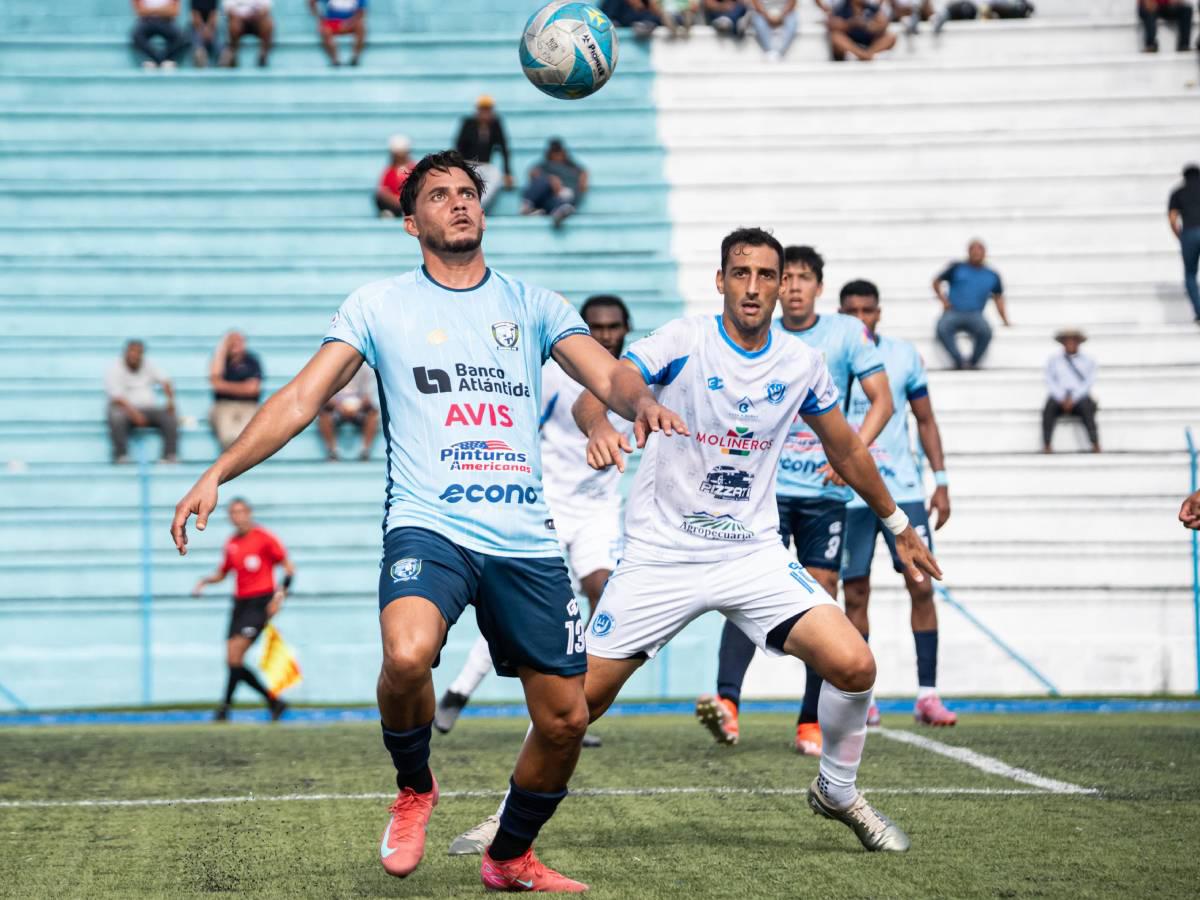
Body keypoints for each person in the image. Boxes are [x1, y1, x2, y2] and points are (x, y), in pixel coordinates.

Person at [170, 150, 685, 891]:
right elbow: (297, 400)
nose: (459, 203)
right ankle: (415, 785)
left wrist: (640, 402)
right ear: (411, 221)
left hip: (524, 537)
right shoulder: (377, 306)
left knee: (566, 719)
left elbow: (605, 372)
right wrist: (217, 471)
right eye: (440, 195)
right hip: (429, 523)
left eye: (469, 192)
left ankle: (509, 857)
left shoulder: (534, 304)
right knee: (408, 654)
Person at [455, 227, 941, 860]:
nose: (754, 286)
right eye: (741, 273)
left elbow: (845, 446)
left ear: (781, 286)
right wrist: (603, 425)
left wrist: (898, 527)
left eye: (767, 275)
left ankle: (838, 791)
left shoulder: (801, 363)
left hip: (750, 555)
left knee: (855, 666)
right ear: (721, 280)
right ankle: (505, 819)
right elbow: (598, 390)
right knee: (573, 706)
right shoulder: (683, 340)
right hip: (660, 556)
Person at [699, 245, 894, 757]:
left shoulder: (846, 335)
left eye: (804, 279)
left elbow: (883, 400)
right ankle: (728, 703)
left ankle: (809, 721)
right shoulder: (761, 336)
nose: (793, 288)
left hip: (825, 492)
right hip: (765, 492)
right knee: (741, 591)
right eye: (788, 279)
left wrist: (851, 449)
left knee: (822, 595)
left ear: (818, 287)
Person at [434, 295, 634, 742]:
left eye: (614, 326)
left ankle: (570, 708)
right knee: (524, 612)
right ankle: (458, 692)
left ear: (626, 329)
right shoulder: (552, 376)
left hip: (599, 511)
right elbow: (515, 425)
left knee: (604, 598)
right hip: (546, 506)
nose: (605, 334)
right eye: (596, 326)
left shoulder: (634, 381)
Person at [838, 280, 957, 727]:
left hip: (903, 490)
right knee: (855, 591)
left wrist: (941, 481)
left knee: (922, 585)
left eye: (867, 310)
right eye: (851, 311)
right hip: (848, 492)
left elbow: (925, 419)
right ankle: (860, 697)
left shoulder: (904, 355)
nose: (860, 318)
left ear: (879, 313)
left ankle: (927, 694)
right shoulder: (830, 355)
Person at [191, 497, 293, 722]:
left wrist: (279, 596)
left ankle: (225, 708)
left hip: (259, 603)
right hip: (239, 604)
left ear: (249, 512)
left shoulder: (264, 538)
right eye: (233, 513)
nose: (237, 517)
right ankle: (274, 702)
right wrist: (205, 582)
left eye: (240, 511)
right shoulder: (232, 543)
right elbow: (223, 573)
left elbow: (288, 568)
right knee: (232, 659)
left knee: (236, 655)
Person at [932, 238, 1009, 370]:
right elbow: (936, 281)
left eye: (979, 250)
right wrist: (944, 301)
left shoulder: (992, 275)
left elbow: (998, 298)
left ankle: (972, 362)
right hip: (953, 311)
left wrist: (1005, 320)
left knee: (986, 332)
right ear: (968, 252)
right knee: (942, 327)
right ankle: (959, 360)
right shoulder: (957, 267)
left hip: (976, 314)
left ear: (985, 253)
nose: (976, 253)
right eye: (973, 250)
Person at [106, 339, 179, 464]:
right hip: (125, 410)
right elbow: (117, 398)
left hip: (148, 409)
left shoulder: (148, 364)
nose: (134, 355)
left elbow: (166, 382)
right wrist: (134, 414)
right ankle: (121, 455)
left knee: (169, 416)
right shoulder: (115, 368)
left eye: (138, 352)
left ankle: (169, 455)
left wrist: (171, 402)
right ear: (126, 353)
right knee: (115, 416)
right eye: (132, 352)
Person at [1042, 328, 1100, 454]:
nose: (1070, 343)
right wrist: (1061, 397)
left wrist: (1073, 398)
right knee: (1048, 408)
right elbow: (1049, 380)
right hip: (1059, 397)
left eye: (1073, 340)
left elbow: (1089, 382)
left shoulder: (1088, 360)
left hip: (1079, 397)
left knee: (1087, 409)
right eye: (1067, 340)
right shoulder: (1054, 360)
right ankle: (1047, 444)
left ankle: (1095, 442)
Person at [454, 96, 513, 213]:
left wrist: (507, 172)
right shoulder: (468, 123)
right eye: (483, 110)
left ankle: (477, 207)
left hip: (486, 165)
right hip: (468, 164)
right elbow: (459, 146)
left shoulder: (495, 125)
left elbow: (504, 148)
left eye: (488, 110)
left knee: (496, 176)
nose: (485, 113)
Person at [209, 331, 264, 451]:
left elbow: (253, 389)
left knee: (247, 437)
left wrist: (225, 386)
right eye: (231, 342)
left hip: (248, 405)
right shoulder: (221, 361)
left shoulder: (252, 361)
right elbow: (215, 381)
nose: (235, 344)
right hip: (224, 406)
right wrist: (221, 350)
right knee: (227, 436)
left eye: (238, 341)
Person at [520, 138, 588, 228]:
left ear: (563, 152)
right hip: (548, 193)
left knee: (564, 199)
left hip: (565, 192)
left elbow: (583, 180)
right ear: (549, 153)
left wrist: (561, 187)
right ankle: (529, 207)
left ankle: (559, 211)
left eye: (558, 151)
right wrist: (551, 180)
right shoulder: (544, 165)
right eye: (554, 152)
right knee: (544, 182)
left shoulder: (573, 166)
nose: (557, 155)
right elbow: (532, 174)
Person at [318, 364, 378, 461]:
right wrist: (340, 407)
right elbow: (326, 397)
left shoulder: (366, 370)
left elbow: (369, 397)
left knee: (373, 413)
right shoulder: (331, 369)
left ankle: (365, 451)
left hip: (359, 409)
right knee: (323, 413)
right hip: (337, 408)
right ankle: (333, 451)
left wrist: (357, 407)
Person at [1168, 163, 1200, 323]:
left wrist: (1180, 236)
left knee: (1190, 274)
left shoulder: (1179, 192)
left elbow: (1173, 218)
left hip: (1189, 232)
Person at [827, 0, 897, 61]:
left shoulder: (871, 7)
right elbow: (832, 24)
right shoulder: (842, 7)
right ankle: (861, 55)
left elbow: (883, 24)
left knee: (890, 36)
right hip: (850, 43)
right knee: (835, 37)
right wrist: (851, 24)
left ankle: (867, 55)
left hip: (869, 42)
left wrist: (870, 26)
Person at [131, 0, 189, 70]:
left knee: (182, 37)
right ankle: (161, 60)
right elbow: (139, 11)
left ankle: (157, 61)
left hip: (167, 22)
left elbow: (174, 11)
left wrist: (150, 10)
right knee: (136, 35)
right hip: (146, 22)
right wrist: (164, 10)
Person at [308, 0, 367, 67]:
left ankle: (355, 57)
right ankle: (335, 59)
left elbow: (361, 12)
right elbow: (311, 2)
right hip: (332, 22)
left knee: (361, 26)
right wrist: (319, 16)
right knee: (324, 30)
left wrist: (350, 22)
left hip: (351, 22)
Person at [221, 0, 274, 68]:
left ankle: (263, 55)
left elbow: (266, 8)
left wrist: (256, 15)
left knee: (268, 23)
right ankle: (233, 55)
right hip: (238, 20)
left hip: (257, 20)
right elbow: (229, 10)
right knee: (234, 25)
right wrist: (242, 17)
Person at [376, 134, 416, 219]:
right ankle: (391, 213)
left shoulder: (415, 169)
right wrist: (396, 200)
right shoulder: (389, 171)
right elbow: (384, 191)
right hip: (395, 204)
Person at [190, 0, 221, 67]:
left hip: (211, 28)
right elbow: (195, 15)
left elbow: (214, 14)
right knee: (198, 50)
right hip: (198, 28)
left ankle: (224, 60)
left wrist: (208, 29)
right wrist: (203, 30)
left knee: (220, 47)